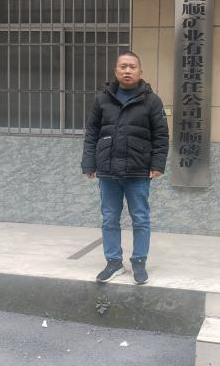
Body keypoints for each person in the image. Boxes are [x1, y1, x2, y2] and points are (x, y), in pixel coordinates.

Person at [81, 51, 169, 285]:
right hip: (108, 171)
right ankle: (113, 262)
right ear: (116, 71)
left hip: (138, 171)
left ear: (140, 71)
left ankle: (139, 262)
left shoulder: (152, 101)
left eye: (132, 66)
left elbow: (161, 136)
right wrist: (89, 163)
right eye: (123, 66)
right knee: (109, 218)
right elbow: (92, 133)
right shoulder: (102, 100)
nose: (127, 70)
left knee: (140, 218)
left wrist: (158, 164)